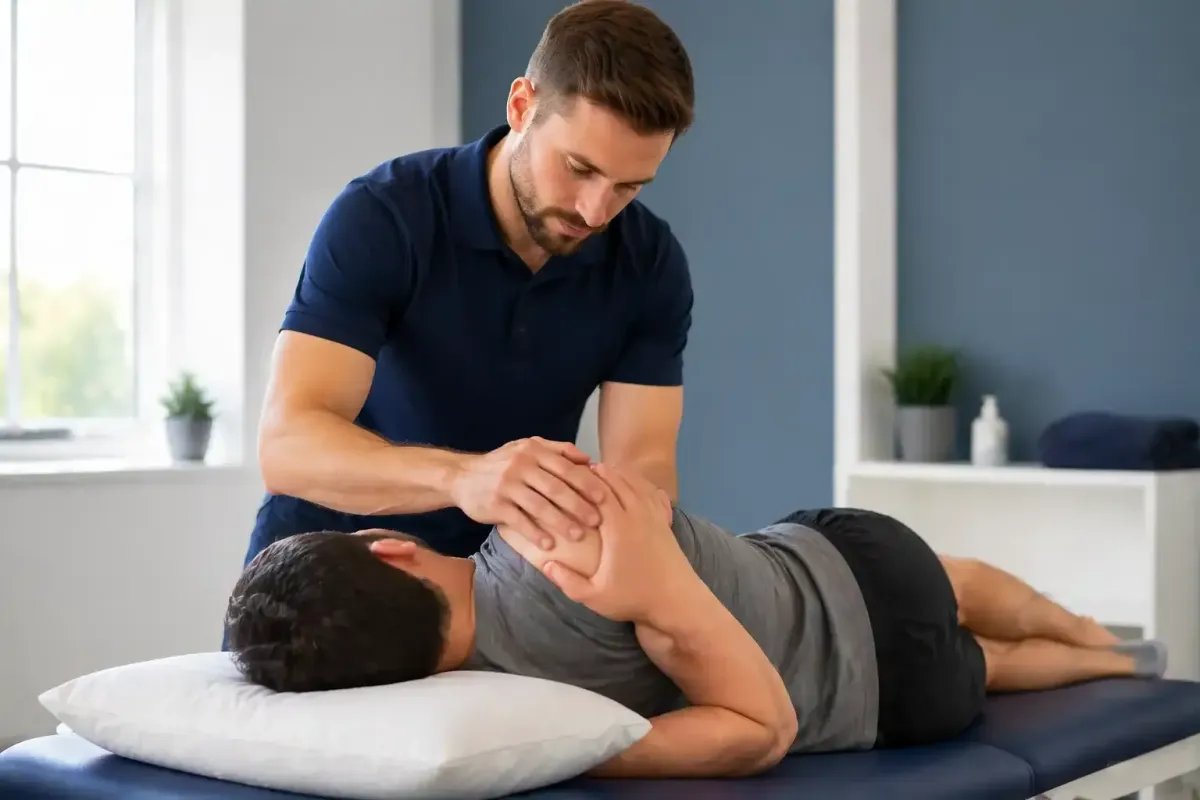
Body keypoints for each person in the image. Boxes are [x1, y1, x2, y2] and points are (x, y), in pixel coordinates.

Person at [224, 463, 1168, 780]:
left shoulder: (519, 720)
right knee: (956, 584)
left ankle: (1109, 669)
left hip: (897, 702)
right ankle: (1100, 638)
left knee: (992, 666)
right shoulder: (544, 524)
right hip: (845, 565)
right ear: (388, 548)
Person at [246, 0, 697, 568]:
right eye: (579, 168)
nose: (595, 211)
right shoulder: (385, 215)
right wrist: (467, 478)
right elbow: (288, 446)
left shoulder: (650, 263)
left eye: (628, 186)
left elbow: (646, 469)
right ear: (521, 105)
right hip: (326, 564)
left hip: (498, 586)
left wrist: (634, 533)